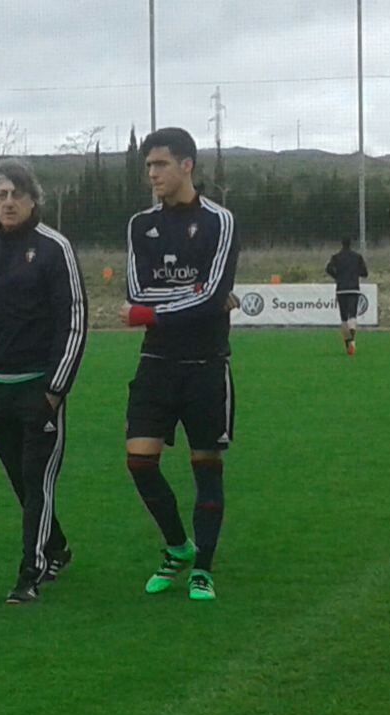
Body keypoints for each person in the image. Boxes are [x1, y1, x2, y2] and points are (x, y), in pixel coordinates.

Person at [119, 127, 240, 601]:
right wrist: (193, 299)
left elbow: (212, 292)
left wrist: (151, 314)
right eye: (148, 166)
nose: (152, 174)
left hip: (207, 363)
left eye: (161, 164)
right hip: (156, 363)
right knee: (139, 461)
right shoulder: (139, 225)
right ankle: (177, 546)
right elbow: (136, 292)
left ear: (187, 165)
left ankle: (203, 568)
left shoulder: (220, 221)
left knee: (204, 463)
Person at [0, 158, 87, 604]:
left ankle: (31, 573)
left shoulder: (54, 248)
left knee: (37, 481)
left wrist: (55, 389)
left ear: (34, 199)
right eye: (1, 194)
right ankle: (57, 547)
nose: (9, 202)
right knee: (19, 478)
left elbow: (73, 320)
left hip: (39, 390)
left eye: (17, 194)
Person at [326, 238, 368, 355]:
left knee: (344, 319)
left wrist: (337, 276)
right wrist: (355, 273)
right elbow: (365, 273)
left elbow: (328, 269)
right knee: (352, 316)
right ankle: (353, 342)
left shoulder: (336, 257)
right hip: (353, 289)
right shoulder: (357, 257)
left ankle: (347, 344)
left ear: (341, 244)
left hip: (341, 289)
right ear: (351, 244)